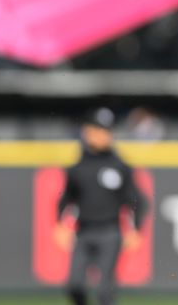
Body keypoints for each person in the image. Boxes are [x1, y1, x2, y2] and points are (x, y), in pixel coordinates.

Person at [55, 108, 149, 305]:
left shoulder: (119, 166)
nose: (102, 135)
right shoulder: (78, 167)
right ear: (87, 131)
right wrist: (60, 224)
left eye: (106, 130)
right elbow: (66, 198)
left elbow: (137, 201)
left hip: (110, 232)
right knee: (75, 285)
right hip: (83, 232)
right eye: (97, 129)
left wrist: (136, 229)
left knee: (104, 291)